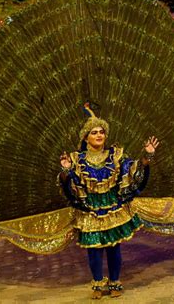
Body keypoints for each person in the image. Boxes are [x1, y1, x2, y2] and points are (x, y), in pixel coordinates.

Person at [58, 103, 159, 299]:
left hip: (113, 208)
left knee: (113, 247)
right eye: (94, 132)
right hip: (89, 210)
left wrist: (147, 156)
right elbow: (67, 185)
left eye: (101, 132)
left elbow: (134, 170)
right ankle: (97, 284)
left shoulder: (116, 156)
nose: (99, 135)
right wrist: (65, 171)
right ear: (86, 137)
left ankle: (115, 282)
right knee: (94, 249)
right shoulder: (76, 159)